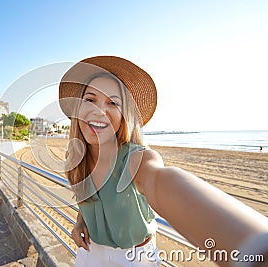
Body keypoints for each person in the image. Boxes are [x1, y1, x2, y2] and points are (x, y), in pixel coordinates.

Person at [58, 56, 268, 266]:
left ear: (124, 115)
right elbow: (88, 200)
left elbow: (159, 179)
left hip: (135, 258)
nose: (99, 110)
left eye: (113, 103)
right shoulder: (76, 158)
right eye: (90, 99)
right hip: (89, 253)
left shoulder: (137, 159)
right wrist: (80, 222)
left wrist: (255, 245)